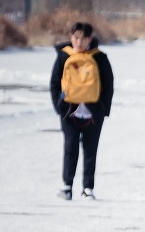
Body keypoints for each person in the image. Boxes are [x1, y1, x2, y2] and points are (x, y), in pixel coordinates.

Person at [49, 21, 114, 200]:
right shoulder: (63, 57)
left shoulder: (100, 58)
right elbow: (54, 83)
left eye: (84, 38)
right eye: (76, 38)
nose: (79, 42)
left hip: (94, 111)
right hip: (68, 110)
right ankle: (67, 186)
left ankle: (88, 188)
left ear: (90, 39)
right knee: (70, 148)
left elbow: (108, 85)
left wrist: (103, 109)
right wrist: (58, 106)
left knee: (90, 149)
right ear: (71, 37)